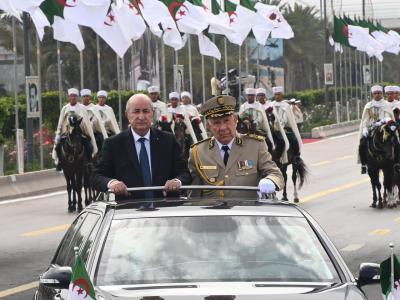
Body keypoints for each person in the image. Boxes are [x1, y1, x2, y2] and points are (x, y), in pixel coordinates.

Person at [92, 93, 192, 203]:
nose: (141, 117)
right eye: (136, 111)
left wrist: (177, 181)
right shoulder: (113, 144)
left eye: (145, 111)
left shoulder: (168, 141)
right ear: (127, 115)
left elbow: (185, 173)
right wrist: (112, 183)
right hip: (128, 213)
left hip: (165, 212)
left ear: (152, 114)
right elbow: (97, 176)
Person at [188, 95, 284, 199]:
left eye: (226, 121)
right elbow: (194, 192)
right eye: (216, 123)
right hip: (213, 213)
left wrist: (270, 180)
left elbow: (275, 174)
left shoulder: (255, 146)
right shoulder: (198, 151)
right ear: (209, 125)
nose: (223, 128)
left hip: (247, 212)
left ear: (235, 119)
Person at [52, 88, 98, 171]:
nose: (73, 98)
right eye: (71, 96)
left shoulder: (82, 107)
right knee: (58, 146)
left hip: (79, 131)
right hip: (67, 132)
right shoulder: (65, 108)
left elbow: (85, 121)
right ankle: (60, 163)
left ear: (77, 97)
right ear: (69, 97)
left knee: (89, 145)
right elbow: (61, 122)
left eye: (74, 96)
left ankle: (89, 162)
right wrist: (59, 133)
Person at [358, 85, 394, 174]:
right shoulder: (368, 106)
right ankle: (363, 164)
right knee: (362, 143)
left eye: (379, 93)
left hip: (383, 128)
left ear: (381, 94)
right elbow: (365, 120)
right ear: (372, 95)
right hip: (371, 128)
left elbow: (388, 117)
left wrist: (381, 122)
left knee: (394, 141)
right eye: (375, 93)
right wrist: (365, 129)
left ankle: (396, 162)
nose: (377, 95)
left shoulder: (386, 105)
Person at [239, 88, 275, 152]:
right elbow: (240, 117)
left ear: (254, 96)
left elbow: (261, 118)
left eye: (252, 95)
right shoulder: (243, 106)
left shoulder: (259, 106)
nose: (250, 97)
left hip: (257, 128)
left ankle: (268, 159)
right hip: (245, 129)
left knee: (269, 144)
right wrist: (245, 121)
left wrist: (254, 123)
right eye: (248, 95)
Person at [271, 86, 302, 157]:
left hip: (285, 128)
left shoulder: (286, 105)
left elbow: (286, 119)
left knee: (294, 139)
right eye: (276, 94)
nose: (277, 96)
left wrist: (281, 125)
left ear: (281, 95)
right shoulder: (271, 104)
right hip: (273, 128)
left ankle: (296, 158)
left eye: (279, 94)